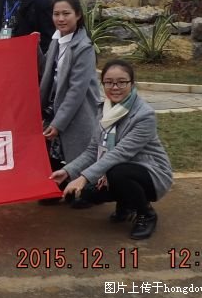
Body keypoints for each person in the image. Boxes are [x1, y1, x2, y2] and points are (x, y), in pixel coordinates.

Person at [50, 59, 174, 239]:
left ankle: (146, 214)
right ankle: (126, 203)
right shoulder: (104, 110)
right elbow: (93, 150)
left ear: (132, 84)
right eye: (109, 82)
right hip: (118, 168)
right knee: (86, 195)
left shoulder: (144, 115)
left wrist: (83, 178)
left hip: (150, 172)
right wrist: (68, 171)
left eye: (122, 82)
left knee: (118, 173)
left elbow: (120, 153)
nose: (115, 87)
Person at [38, 0, 100, 202]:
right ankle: (56, 185)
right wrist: (34, 47)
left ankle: (85, 189)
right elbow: (47, 70)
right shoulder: (57, 40)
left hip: (78, 110)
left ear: (78, 15)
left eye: (66, 14)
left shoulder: (84, 47)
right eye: (56, 14)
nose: (61, 19)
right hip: (54, 105)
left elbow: (76, 90)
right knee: (52, 149)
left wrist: (59, 123)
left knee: (78, 149)